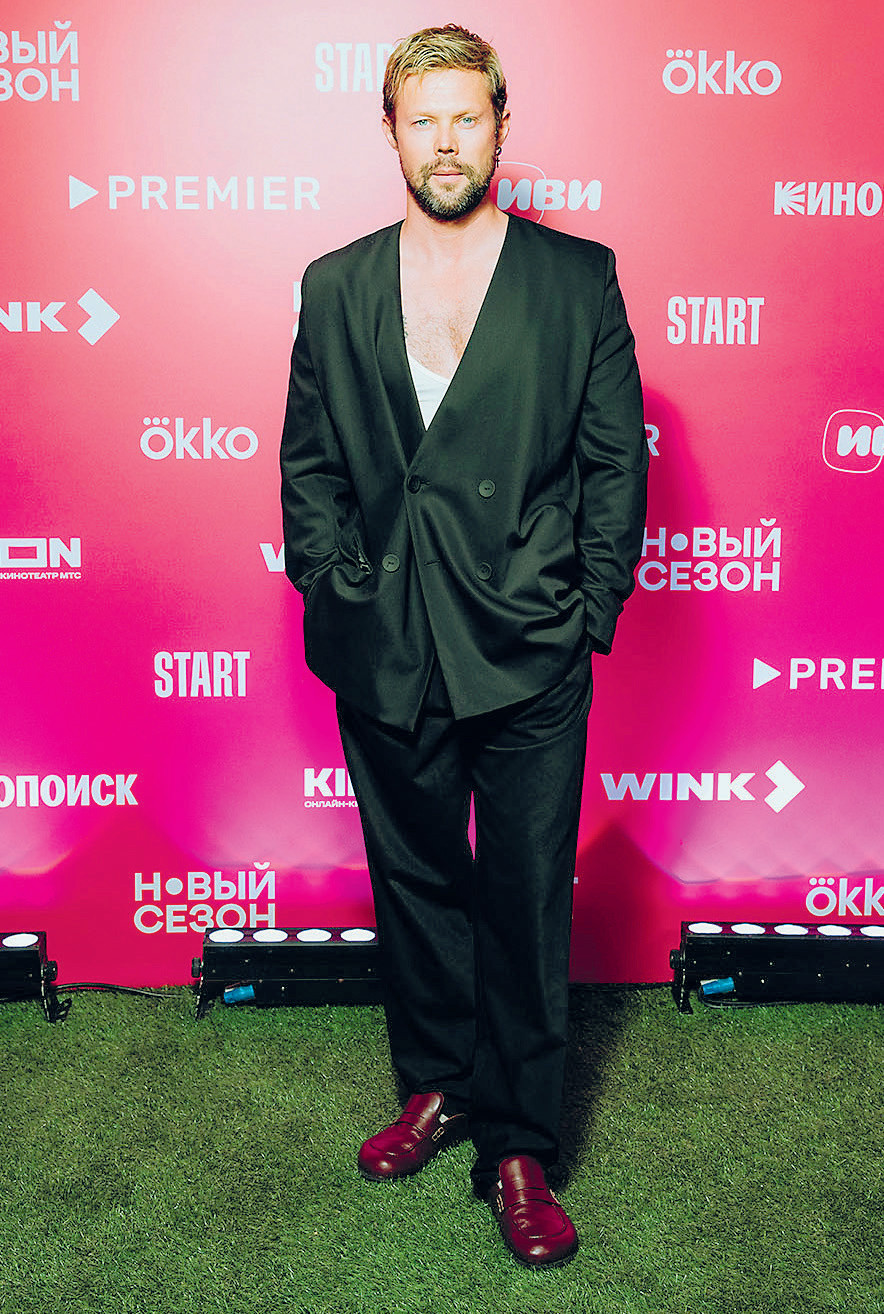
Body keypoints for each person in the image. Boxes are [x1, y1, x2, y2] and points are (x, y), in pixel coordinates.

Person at [280, 23, 647, 1268]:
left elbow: (612, 462)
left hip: (529, 644)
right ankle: (438, 1084)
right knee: (417, 881)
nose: (446, 142)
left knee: (525, 895)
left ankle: (519, 1144)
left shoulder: (576, 279)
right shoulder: (335, 284)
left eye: (466, 117)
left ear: (500, 125)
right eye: (422, 119)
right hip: (387, 639)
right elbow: (310, 463)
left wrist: (587, 609)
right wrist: (335, 585)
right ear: (391, 131)